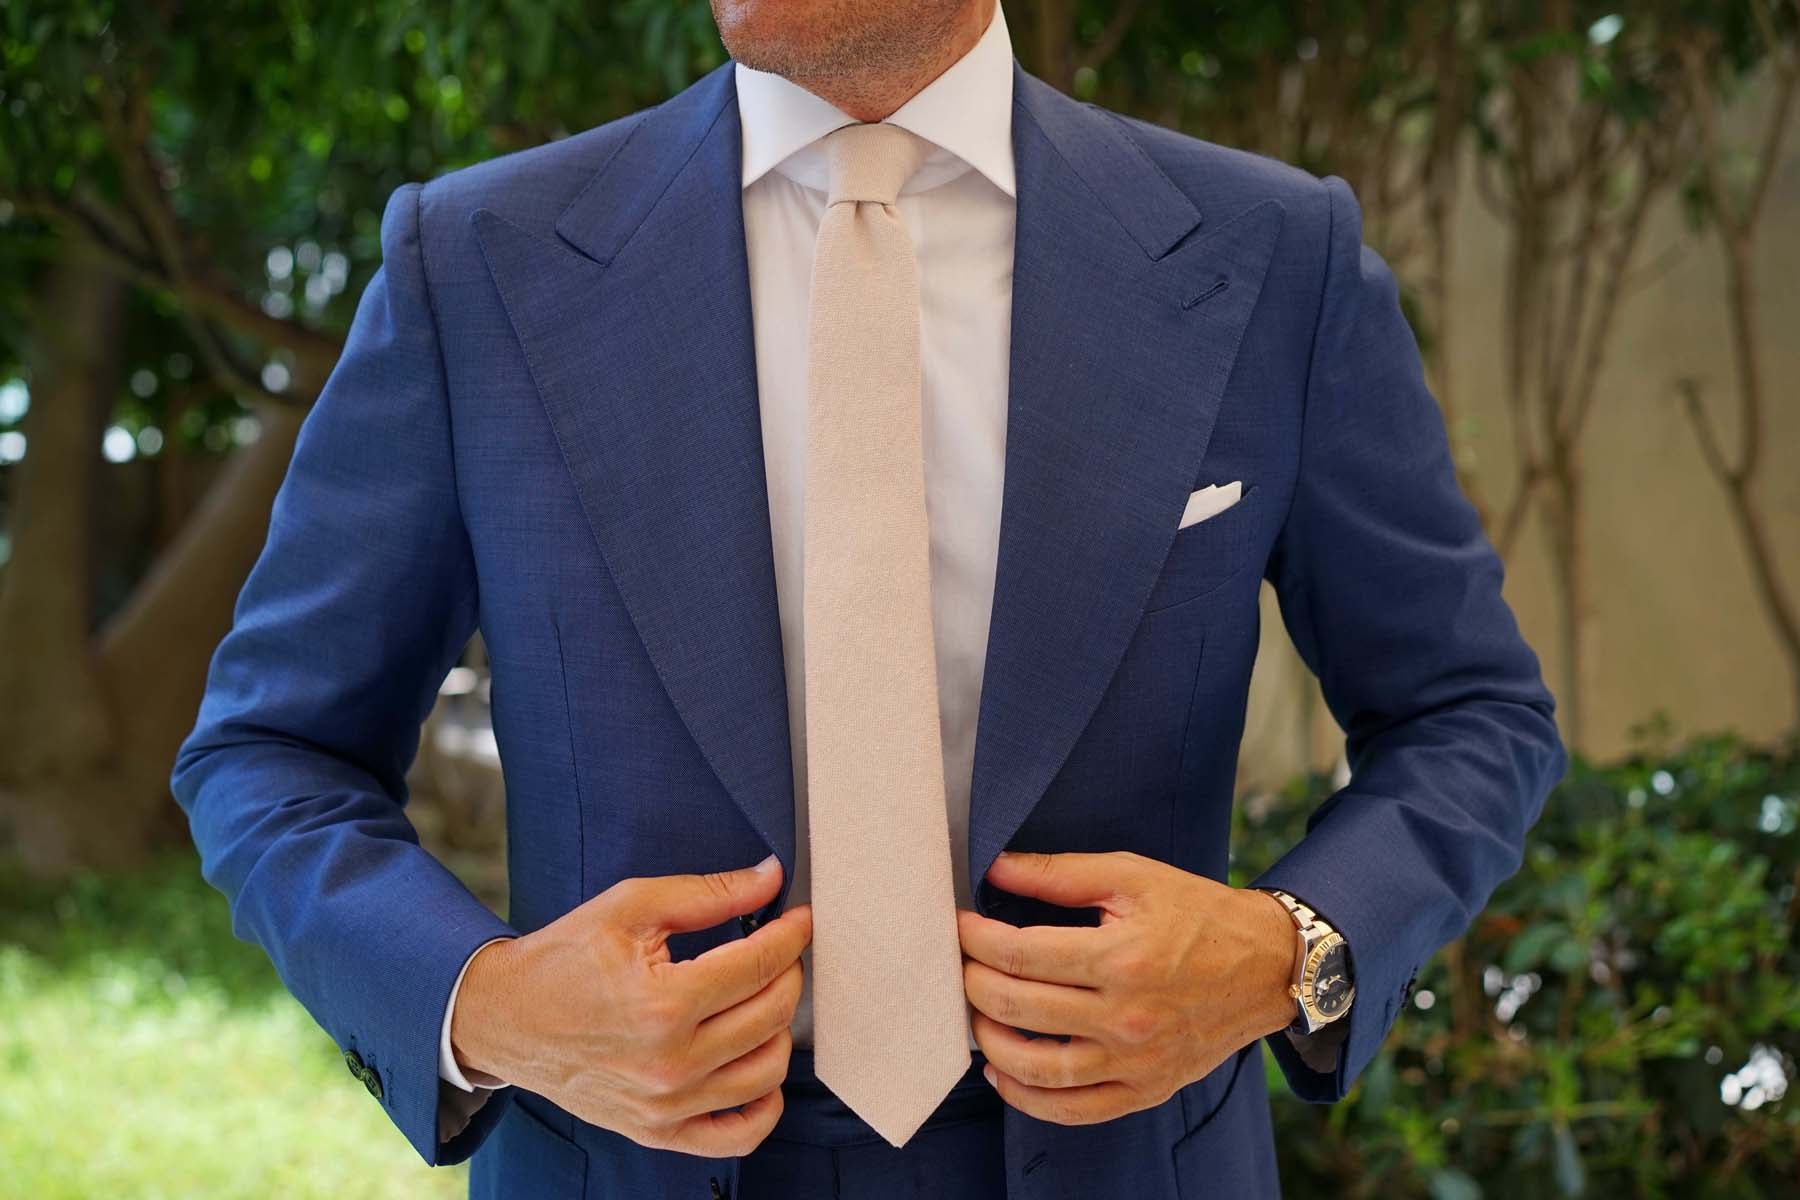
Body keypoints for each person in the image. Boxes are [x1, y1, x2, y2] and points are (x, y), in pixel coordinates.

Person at [170, 1, 1567, 1196]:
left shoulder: (1271, 258)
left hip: (1132, 1164)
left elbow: (1470, 714)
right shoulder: (479, 262)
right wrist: (486, 1006)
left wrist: (1285, 954)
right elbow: (270, 752)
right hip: (624, 1165)